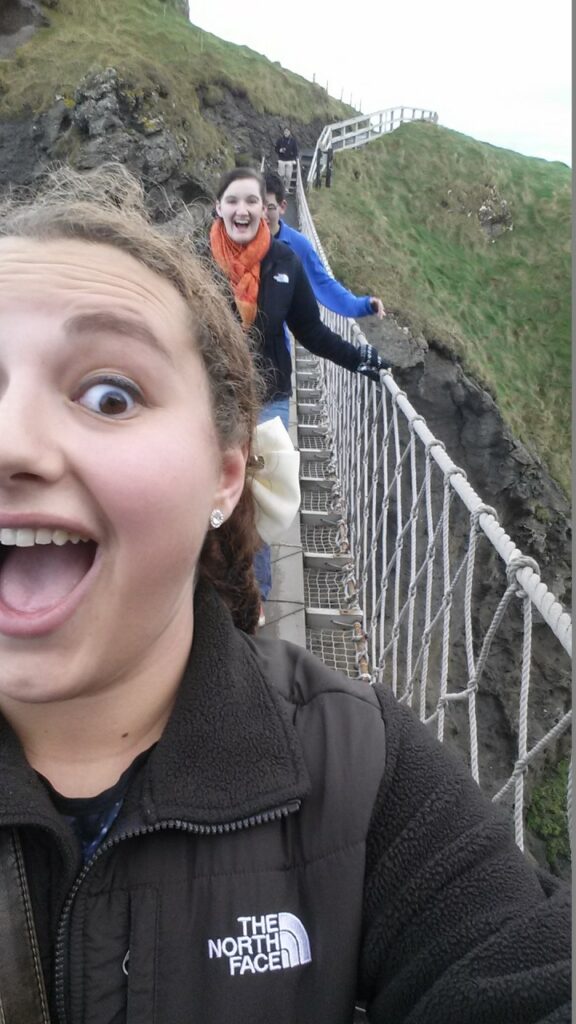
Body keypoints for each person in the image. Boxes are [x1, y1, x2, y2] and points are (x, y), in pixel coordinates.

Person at [0, 164, 570, 1024]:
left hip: (263, 421)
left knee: (248, 572)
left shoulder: (359, 772)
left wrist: (367, 347)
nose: (14, 442)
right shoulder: (199, 260)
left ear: (266, 208)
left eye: (110, 394)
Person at [210, 166, 388, 610]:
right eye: (233, 200)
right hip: (211, 399)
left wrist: (358, 358)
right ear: (218, 207)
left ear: (265, 209)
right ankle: (208, 585)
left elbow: (311, 331)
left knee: (256, 497)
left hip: (269, 399)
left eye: (251, 201)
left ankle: (255, 599)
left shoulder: (285, 261)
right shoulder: (198, 261)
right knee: (212, 492)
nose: (243, 209)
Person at [265, 171, 386, 320]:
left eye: (270, 207)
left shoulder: (298, 245)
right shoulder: (239, 241)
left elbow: (323, 285)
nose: (263, 215)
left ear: (282, 207)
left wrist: (363, 305)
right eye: (257, 205)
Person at [274, 125, 298, 193]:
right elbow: (276, 149)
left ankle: (286, 188)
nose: (286, 133)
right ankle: (281, 188)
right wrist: (280, 150)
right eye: (285, 131)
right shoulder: (280, 140)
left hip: (290, 160)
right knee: (281, 175)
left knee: (288, 175)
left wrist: (293, 157)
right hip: (281, 159)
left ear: (290, 132)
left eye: (287, 131)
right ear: (283, 132)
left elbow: (296, 150)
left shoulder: (293, 141)